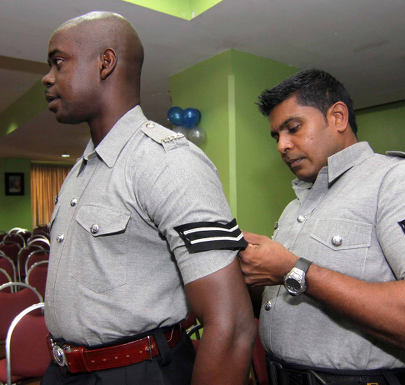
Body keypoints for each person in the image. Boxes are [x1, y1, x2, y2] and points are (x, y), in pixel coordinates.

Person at [41, 11, 255, 385]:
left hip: (136, 372)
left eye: (58, 63)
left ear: (105, 63)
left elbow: (232, 325)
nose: (47, 77)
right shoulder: (81, 170)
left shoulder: (166, 161)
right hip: (63, 371)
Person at [239, 69, 405, 385]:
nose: (282, 145)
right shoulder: (296, 205)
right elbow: (293, 304)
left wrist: (294, 270)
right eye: (276, 136)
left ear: (338, 117)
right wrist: (245, 270)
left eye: (293, 128)